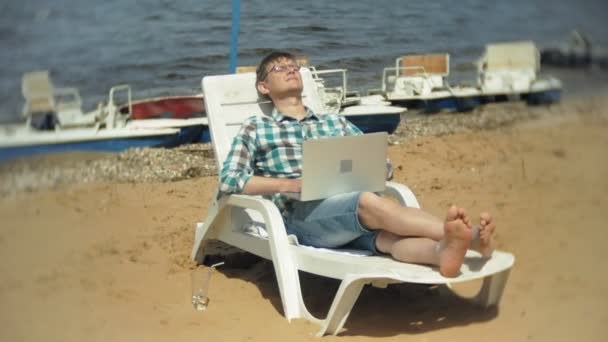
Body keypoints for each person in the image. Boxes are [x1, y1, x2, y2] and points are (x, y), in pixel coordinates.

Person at [219, 51, 496, 277]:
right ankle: (470, 238)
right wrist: (290, 184)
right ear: (263, 87)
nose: (290, 69)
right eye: (279, 68)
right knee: (367, 202)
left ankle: (443, 253)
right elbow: (230, 179)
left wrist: (374, 170)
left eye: (293, 66)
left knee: (387, 240)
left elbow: (382, 165)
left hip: (349, 212)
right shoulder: (257, 127)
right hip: (302, 217)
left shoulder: (334, 122)